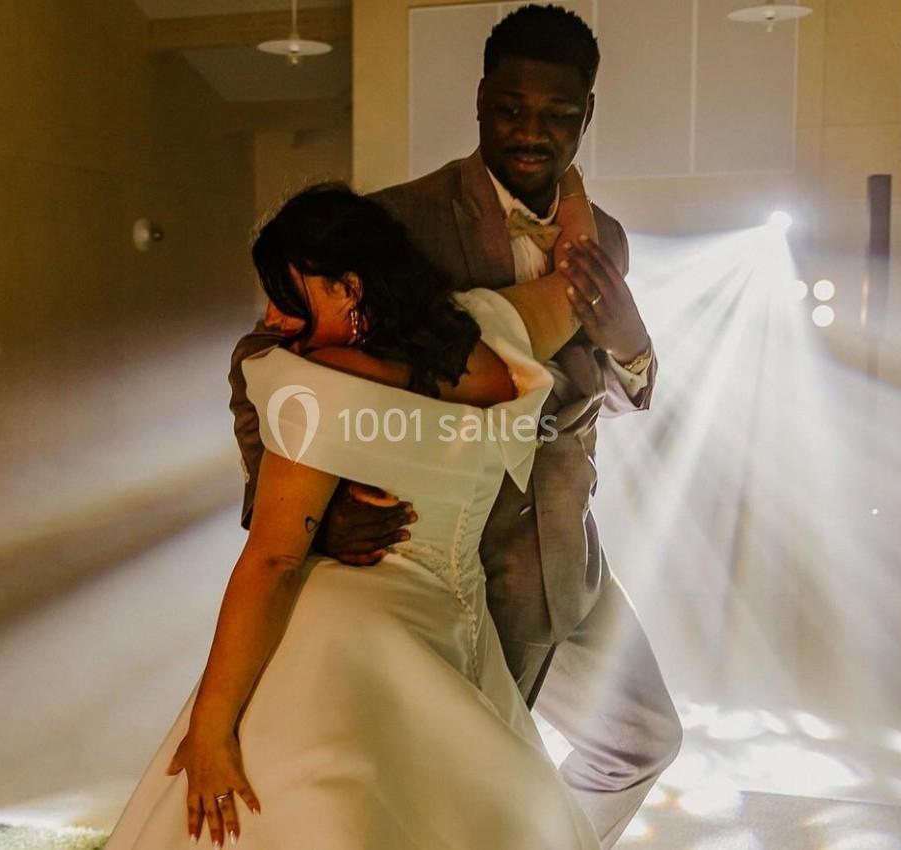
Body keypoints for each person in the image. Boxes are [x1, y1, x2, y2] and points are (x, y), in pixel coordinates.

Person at [231, 6, 681, 847]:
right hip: (457, 561)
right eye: (512, 107)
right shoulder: (401, 220)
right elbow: (262, 359)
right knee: (450, 786)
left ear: (588, 114)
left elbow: (604, 398)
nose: (531, 132)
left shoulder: (603, 236)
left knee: (644, 741)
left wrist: (632, 348)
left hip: (570, 553)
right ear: (480, 100)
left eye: (558, 114)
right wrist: (306, 508)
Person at [108, 171, 627, 848]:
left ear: (348, 289)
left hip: (345, 629)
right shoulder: (487, 331)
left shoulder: (315, 383)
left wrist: (211, 729)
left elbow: (271, 558)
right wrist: (571, 187)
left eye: (285, 295)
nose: (271, 319)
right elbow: (578, 280)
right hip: (452, 619)